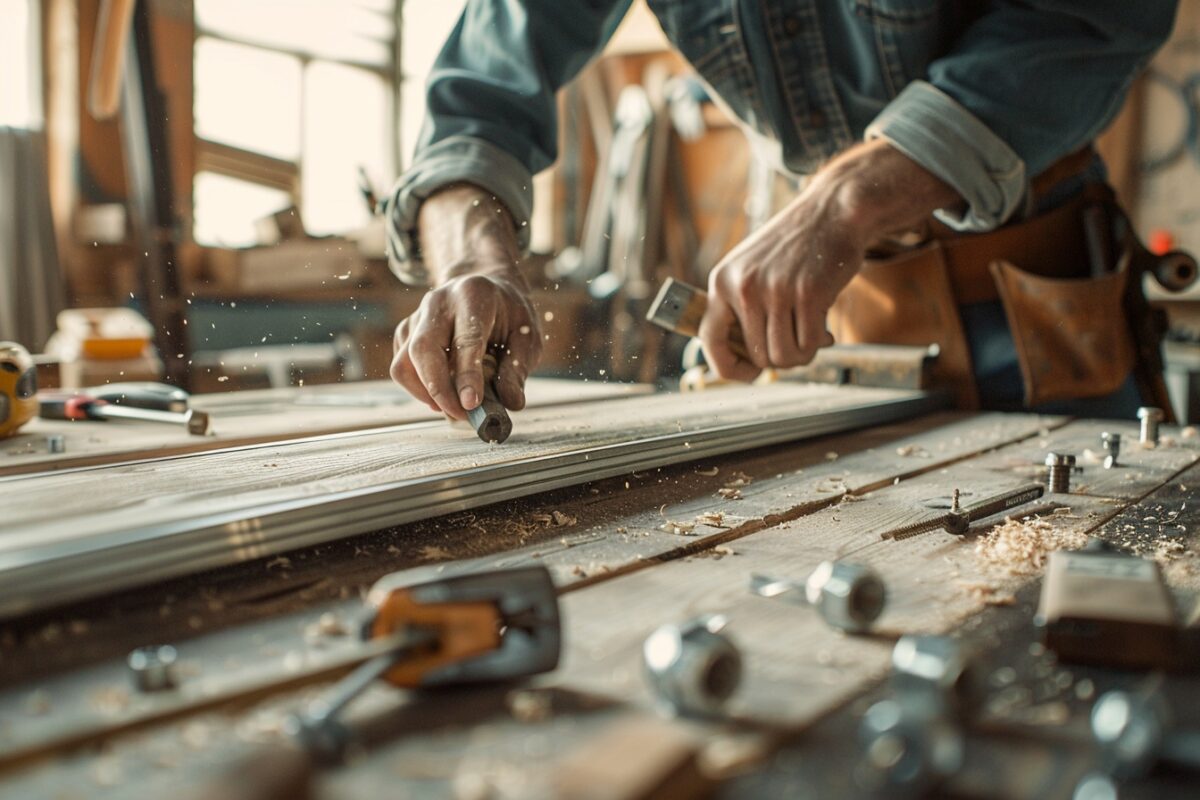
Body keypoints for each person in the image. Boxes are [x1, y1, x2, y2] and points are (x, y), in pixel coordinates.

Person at [384, 1, 1179, 421]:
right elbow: (474, 106)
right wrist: (469, 260)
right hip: (832, 297)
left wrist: (846, 199)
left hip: (1030, 287)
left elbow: (1091, 19)